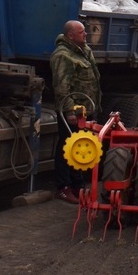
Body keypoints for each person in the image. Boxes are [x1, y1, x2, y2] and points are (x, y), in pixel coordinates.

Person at [50, 20, 102, 205]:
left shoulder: (84, 51)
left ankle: (78, 186)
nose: (85, 34)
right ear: (70, 35)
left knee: (81, 149)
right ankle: (63, 188)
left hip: (87, 109)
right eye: (81, 32)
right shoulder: (63, 56)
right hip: (73, 112)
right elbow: (62, 87)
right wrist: (70, 111)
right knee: (67, 148)